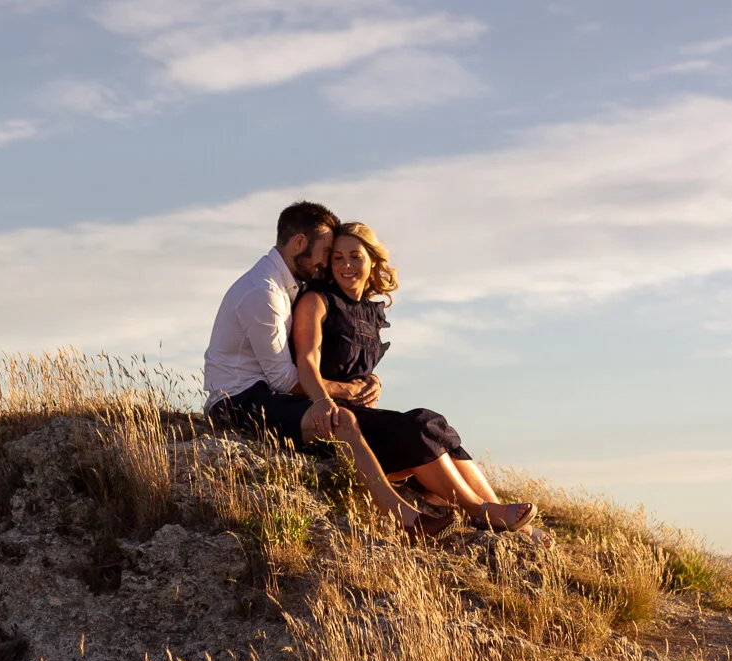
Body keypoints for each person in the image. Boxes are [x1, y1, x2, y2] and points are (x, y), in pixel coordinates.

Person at [203, 200, 454, 537]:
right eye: (326, 251)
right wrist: (349, 391)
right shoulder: (263, 292)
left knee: (361, 420)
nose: (327, 262)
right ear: (299, 244)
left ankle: (423, 499)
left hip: (268, 396)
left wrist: (365, 382)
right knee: (343, 419)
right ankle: (406, 520)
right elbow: (283, 379)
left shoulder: (288, 286)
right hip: (238, 401)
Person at [291, 221, 534, 531]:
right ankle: (479, 511)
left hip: (362, 411)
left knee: (436, 425)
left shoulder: (367, 310)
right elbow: (307, 361)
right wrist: (330, 398)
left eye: (355, 256)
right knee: (419, 425)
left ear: (372, 260)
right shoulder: (317, 300)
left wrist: (371, 384)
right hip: (330, 413)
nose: (346, 265)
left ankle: (505, 516)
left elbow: (358, 371)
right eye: (337, 258)